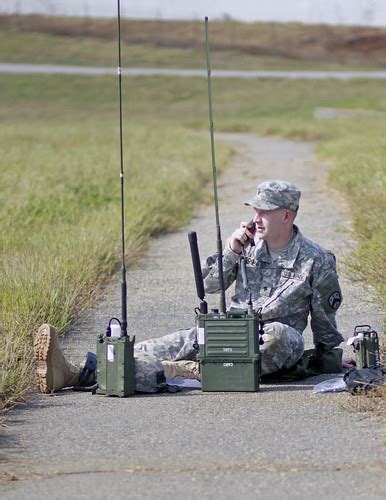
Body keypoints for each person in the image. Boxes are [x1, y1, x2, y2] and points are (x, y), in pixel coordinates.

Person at [34, 180, 351, 394]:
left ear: (286, 215)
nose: (256, 217)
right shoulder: (247, 244)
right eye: (255, 210)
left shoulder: (316, 259)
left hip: (268, 344)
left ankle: (188, 371)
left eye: (264, 211)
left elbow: (324, 327)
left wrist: (335, 359)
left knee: (286, 336)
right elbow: (212, 285)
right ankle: (76, 371)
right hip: (224, 332)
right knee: (146, 351)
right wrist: (232, 251)